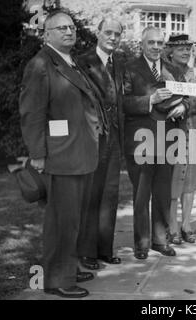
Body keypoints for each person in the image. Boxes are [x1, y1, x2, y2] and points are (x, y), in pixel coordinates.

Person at [19, 11, 105, 298]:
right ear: (47, 34)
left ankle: (68, 267)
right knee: (61, 221)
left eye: (71, 27)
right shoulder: (41, 64)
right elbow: (32, 113)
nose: (69, 32)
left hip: (81, 152)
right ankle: (56, 279)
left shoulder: (72, 62)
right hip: (61, 155)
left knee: (75, 219)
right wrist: (37, 154)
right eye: (61, 28)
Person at [123, 26, 188, 259]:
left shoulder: (173, 70)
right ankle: (141, 244)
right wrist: (149, 100)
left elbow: (189, 97)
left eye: (160, 43)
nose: (156, 47)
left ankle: (160, 241)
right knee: (142, 195)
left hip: (168, 139)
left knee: (162, 192)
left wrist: (184, 107)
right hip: (140, 140)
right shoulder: (129, 68)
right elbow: (123, 102)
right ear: (142, 44)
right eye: (151, 42)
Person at [77, 17, 125, 269]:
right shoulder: (83, 62)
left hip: (114, 138)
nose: (113, 38)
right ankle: (86, 252)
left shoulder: (118, 62)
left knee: (110, 194)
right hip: (93, 137)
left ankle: (105, 249)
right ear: (98, 33)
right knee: (91, 194)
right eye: (108, 32)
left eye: (117, 34)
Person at [165, 34, 196, 244]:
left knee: (190, 180)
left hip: (195, 128)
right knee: (175, 179)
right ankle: (172, 225)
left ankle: (186, 224)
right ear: (171, 51)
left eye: (188, 48)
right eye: (180, 48)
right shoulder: (165, 71)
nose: (185, 52)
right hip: (174, 132)